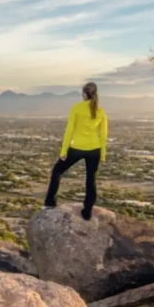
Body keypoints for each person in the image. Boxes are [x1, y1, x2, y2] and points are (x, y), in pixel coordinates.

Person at [43, 82, 108, 220]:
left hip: (77, 148)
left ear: (84, 94)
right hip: (95, 149)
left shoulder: (77, 108)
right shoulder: (100, 111)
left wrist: (64, 151)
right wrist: (102, 155)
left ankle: (50, 202)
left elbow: (69, 131)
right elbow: (103, 135)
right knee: (91, 180)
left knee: (57, 171)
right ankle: (87, 211)